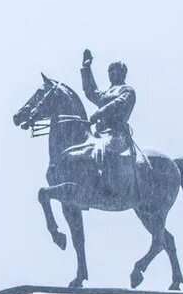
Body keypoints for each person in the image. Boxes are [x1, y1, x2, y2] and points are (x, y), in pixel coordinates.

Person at [63, 48, 148, 201]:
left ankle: (109, 187)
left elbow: (117, 104)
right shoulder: (107, 93)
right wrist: (86, 68)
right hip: (101, 135)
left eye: (115, 70)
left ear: (123, 73)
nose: (112, 73)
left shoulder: (127, 90)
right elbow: (91, 91)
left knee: (100, 151)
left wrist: (98, 114)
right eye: (110, 71)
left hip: (117, 134)